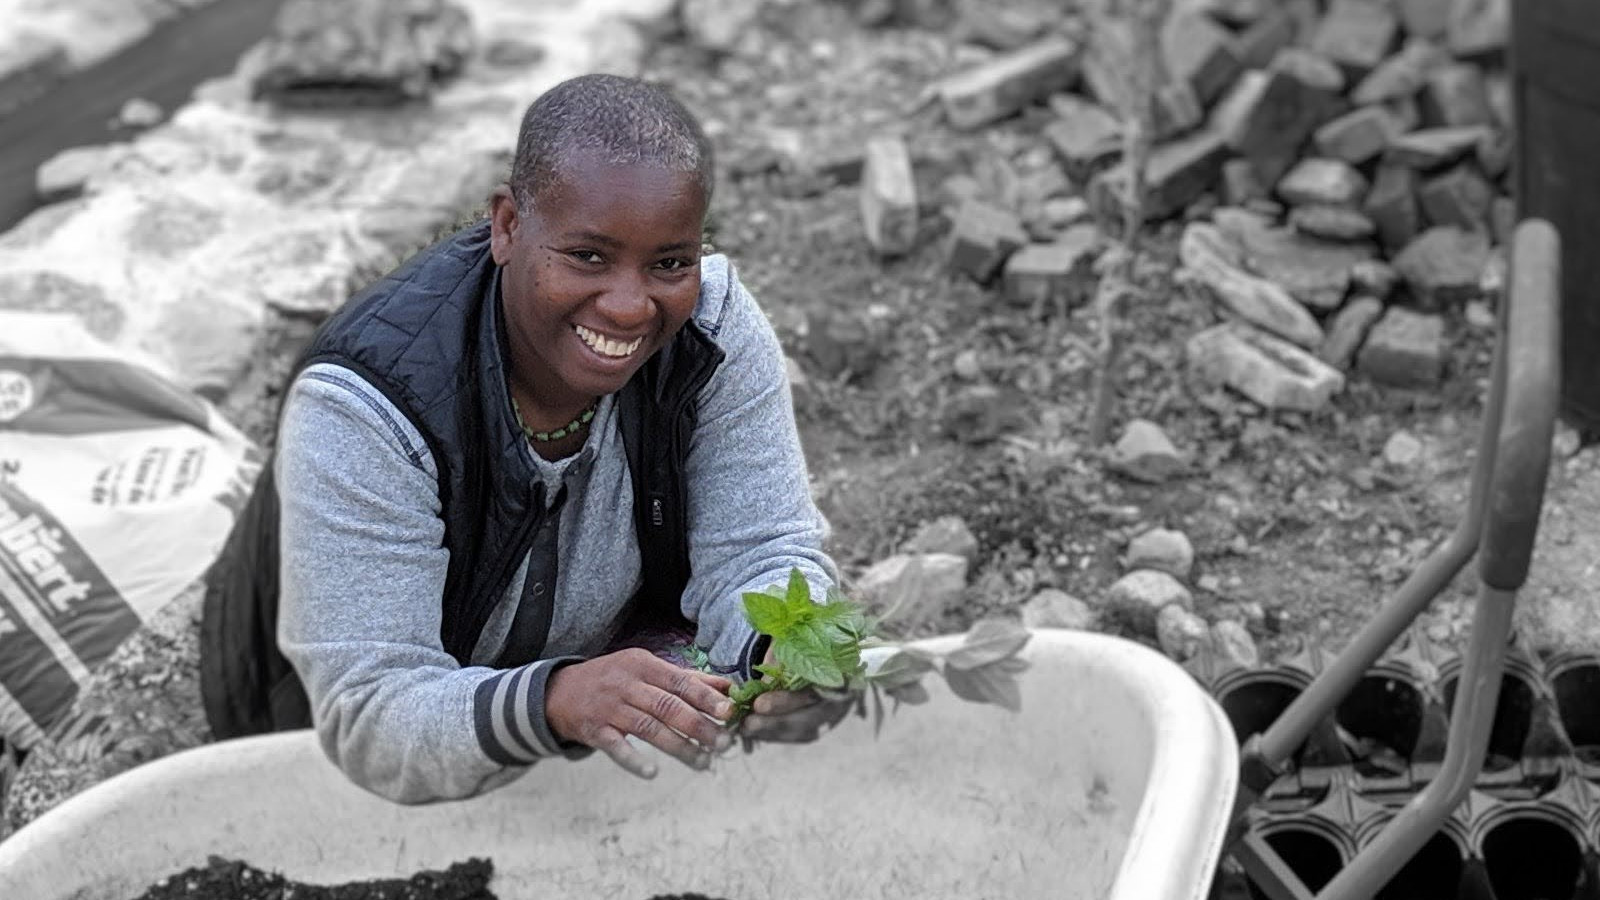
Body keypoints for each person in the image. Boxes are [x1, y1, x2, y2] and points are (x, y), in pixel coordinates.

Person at [0, 73, 844, 834]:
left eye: (670, 262)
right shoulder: (368, 406)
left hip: (556, 673)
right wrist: (554, 698)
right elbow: (374, 711)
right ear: (508, 225)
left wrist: (789, 648)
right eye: (586, 256)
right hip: (309, 709)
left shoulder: (713, 330)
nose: (629, 306)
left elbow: (763, 549)